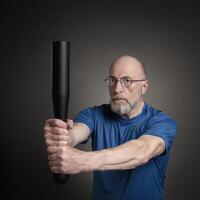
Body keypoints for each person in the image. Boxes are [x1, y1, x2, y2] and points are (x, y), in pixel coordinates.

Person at [44, 55, 177, 200]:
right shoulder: (93, 115)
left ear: (143, 87)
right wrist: (62, 136)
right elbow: (76, 133)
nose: (117, 89)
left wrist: (81, 160)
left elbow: (141, 151)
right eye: (112, 80)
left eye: (127, 81)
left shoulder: (162, 122)